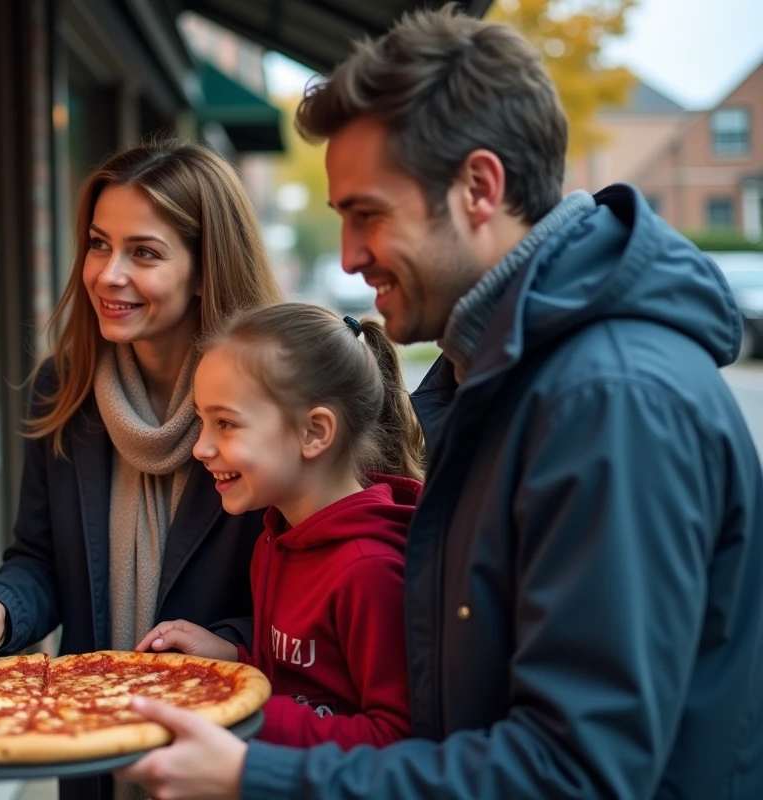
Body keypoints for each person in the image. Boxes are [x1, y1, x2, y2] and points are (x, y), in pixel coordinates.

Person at [116, 7, 763, 800]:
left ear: (479, 188)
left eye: (369, 215)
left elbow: (575, 773)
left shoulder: (607, 402)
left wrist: (262, 772)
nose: (350, 259)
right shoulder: (504, 377)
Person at [0, 139, 283, 800]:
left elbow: (313, 596)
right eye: (97, 244)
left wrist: (228, 645)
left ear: (205, 269)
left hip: (229, 762)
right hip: (94, 766)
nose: (107, 274)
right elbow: (39, 559)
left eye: (143, 253)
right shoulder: (60, 389)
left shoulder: (272, 407)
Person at [134, 303, 422, 750]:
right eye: (202, 421)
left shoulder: (369, 571)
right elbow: (303, 680)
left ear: (314, 433)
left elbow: (396, 740)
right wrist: (233, 659)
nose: (201, 448)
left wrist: (242, 706)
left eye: (225, 423)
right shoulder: (275, 539)